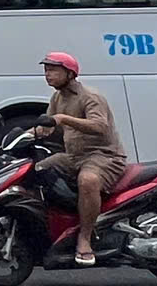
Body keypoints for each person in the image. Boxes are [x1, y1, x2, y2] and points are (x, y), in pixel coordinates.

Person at [36, 51, 127, 264]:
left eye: (53, 70)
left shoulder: (90, 97)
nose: (47, 74)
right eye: (46, 70)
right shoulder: (58, 97)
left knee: (88, 181)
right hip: (74, 157)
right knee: (37, 169)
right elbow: (50, 125)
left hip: (103, 157)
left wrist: (65, 119)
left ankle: (85, 238)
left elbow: (100, 127)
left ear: (70, 73)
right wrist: (32, 132)